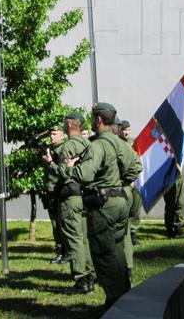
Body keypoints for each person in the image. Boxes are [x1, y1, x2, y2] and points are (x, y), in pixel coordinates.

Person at [53, 102, 130, 310]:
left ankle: (115, 299)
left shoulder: (97, 145)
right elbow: (134, 166)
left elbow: (85, 174)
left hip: (103, 204)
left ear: (98, 120)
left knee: (104, 253)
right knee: (117, 250)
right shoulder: (118, 142)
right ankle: (124, 291)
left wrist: (69, 170)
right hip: (120, 199)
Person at [41, 112, 94, 294]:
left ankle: (81, 280)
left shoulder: (68, 146)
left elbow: (63, 173)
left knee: (73, 239)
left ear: (70, 125)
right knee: (84, 238)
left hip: (70, 198)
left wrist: (50, 163)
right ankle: (90, 276)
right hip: (85, 196)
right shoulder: (88, 143)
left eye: (65, 123)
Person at [110, 118, 142, 280]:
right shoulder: (122, 145)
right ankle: (126, 267)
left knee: (117, 232)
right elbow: (137, 167)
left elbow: (137, 167)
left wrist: (125, 181)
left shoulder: (116, 145)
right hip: (123, 189)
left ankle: (123, 267)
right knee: (124, 232)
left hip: (116, 192)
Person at [42, 125, 68, 265]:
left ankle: (65, 253)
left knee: (61, 224)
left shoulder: (64, 149)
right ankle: (60, 251)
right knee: (54, 225)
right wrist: (43, 133)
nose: (51, 136)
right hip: (50, 190)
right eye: (50, 134)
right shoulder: (48, 148)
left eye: (54, 134)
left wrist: (51, 162)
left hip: (60, 191)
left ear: (63, 135)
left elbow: (63, 172)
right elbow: (31, 143)